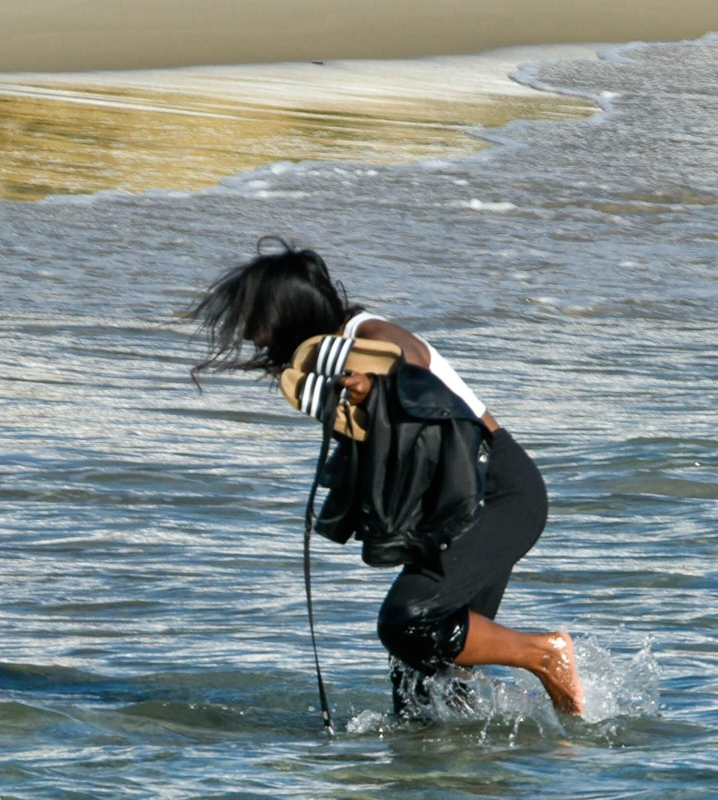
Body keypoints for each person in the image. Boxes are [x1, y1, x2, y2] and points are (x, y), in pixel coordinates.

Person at [190, 239, 584, 715]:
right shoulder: (333, 361)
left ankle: (547, 654)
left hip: (496, 490)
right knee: (421, 690)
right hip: (455, 504)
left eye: (257, 323)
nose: (252, 338)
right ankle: (543, 732)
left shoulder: (369, 333)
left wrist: (376, 383)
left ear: (289, 312)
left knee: (407, 623)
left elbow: (410, 357)